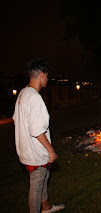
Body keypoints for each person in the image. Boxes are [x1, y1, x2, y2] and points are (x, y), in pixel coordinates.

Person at [12, 58, 65, 213]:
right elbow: (37, 130)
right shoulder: (35, 98)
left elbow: (17, 119)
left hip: (26, 150)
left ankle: (46, 206)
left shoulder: (23, 93)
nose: (48, 79)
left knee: (45, 176)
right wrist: (50, 151)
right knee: (36, 185)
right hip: (35, 152)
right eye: (47, 76)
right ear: (41, 75)